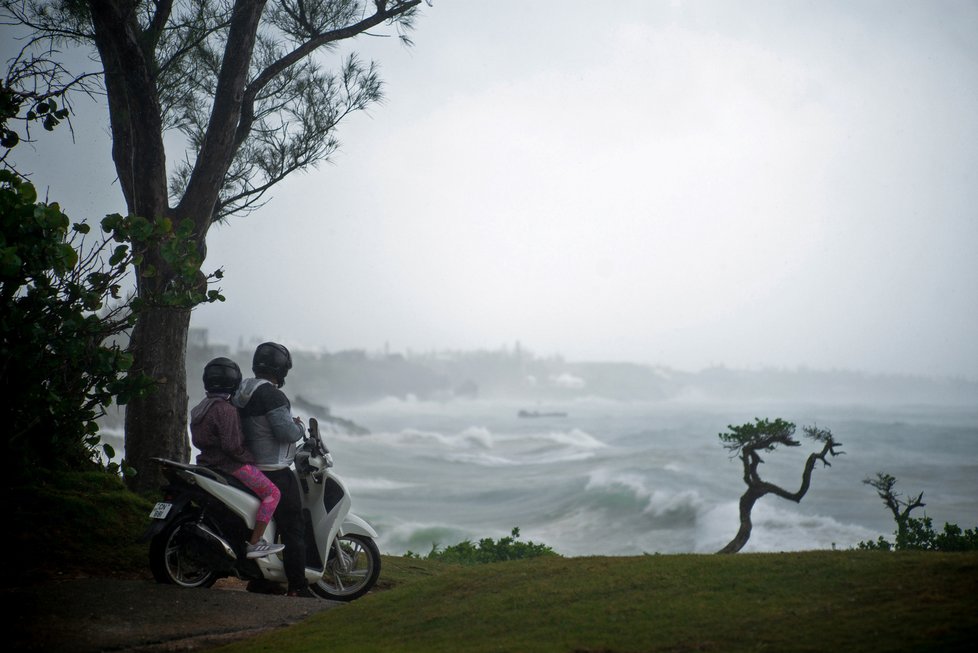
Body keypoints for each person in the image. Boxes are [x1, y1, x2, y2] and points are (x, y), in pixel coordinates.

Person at [233, 342, 315, 598]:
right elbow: (285, 432)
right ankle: (298, 585)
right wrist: (300, 428)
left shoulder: (242, 389)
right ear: (281, 370)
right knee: (293, 527)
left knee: (270, 525)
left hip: (249, 467)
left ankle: (262, 580)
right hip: (275, 470)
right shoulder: (273, 395)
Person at [189, 357, 285, 559]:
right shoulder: (226, 410)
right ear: (234, 383)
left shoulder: (200, 407)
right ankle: (255, 542)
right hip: (230, 465)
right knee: (272, 493)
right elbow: (232, 446)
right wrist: (250, 458)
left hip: (206, 462)